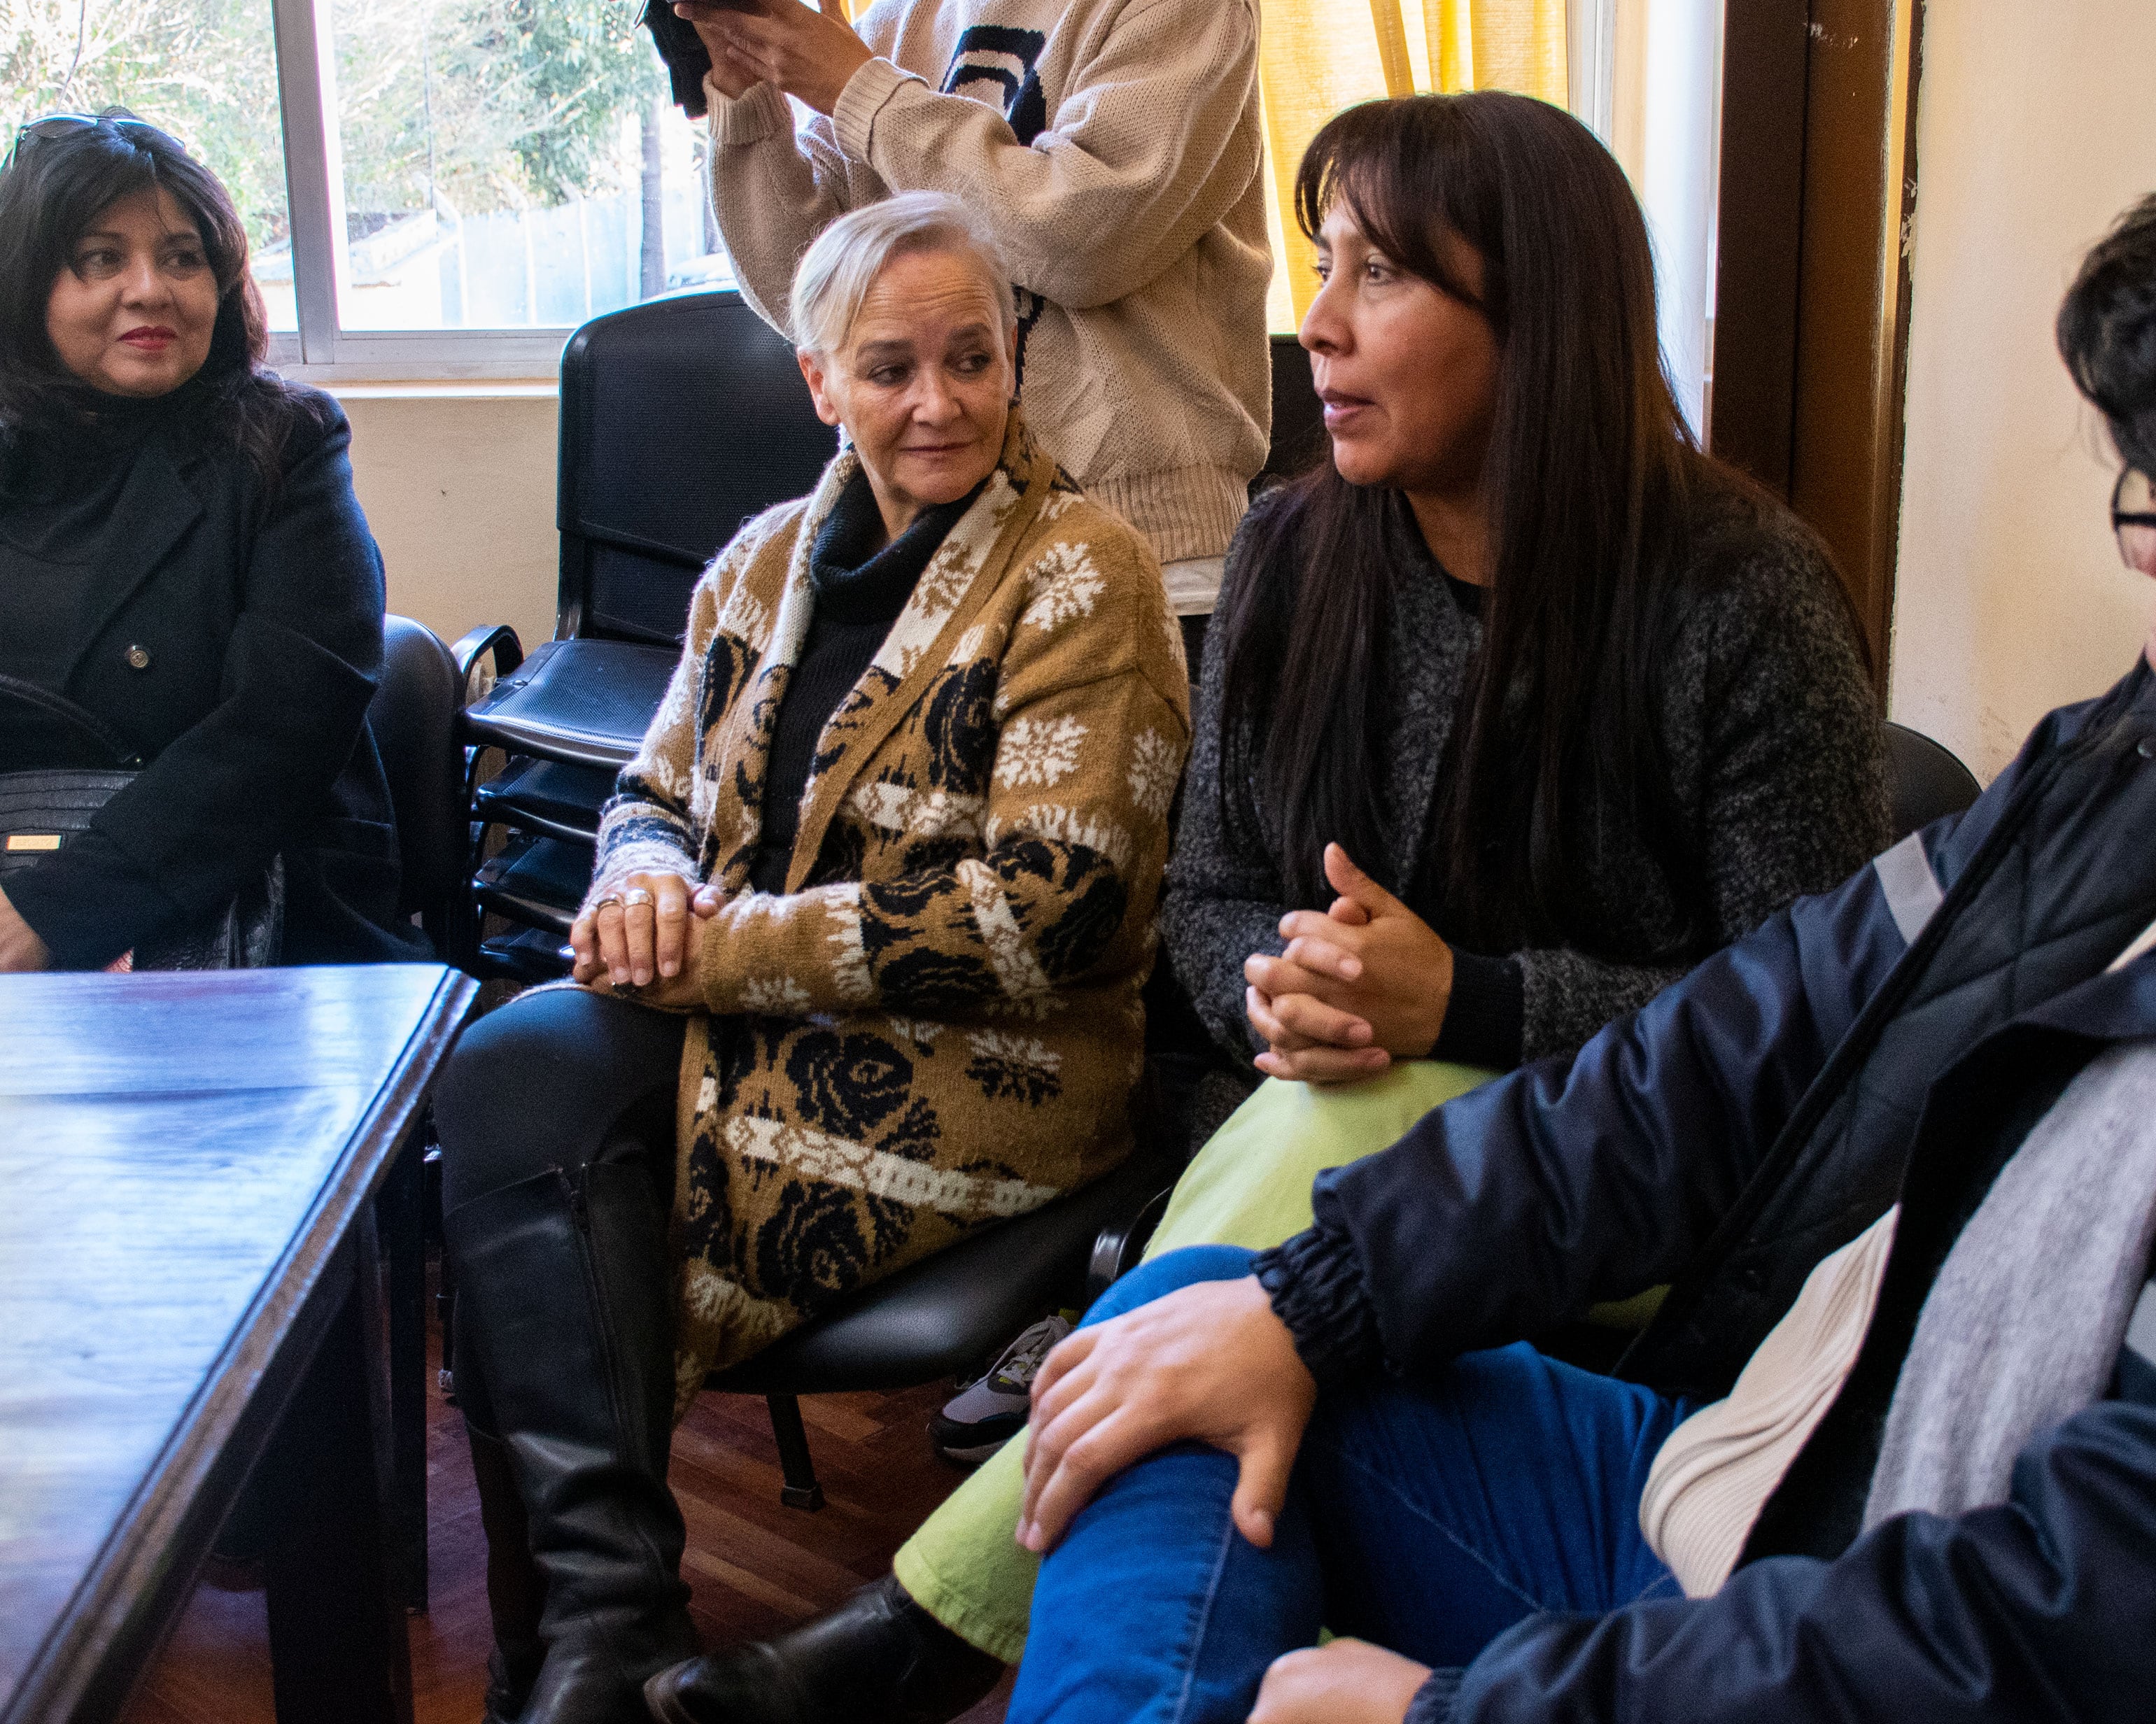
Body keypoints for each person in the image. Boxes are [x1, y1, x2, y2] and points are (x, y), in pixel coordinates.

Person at [1004, 110, 2156, 1724]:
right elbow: (1748, 1033)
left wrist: (1454, 1715)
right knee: (1189, 1325)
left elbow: (2111, 1626)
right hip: (1778, 1466)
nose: (2141, 571)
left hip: (1865, 1587)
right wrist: (1312, 1300)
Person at [643, 92, 1887, 1724]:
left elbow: (1819, 1044)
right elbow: (1204, 902)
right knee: (1308, 1167)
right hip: (1316, 1131)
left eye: (1380, 275)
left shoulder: (1744, 599)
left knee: (1302, 1172)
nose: (1317, 323)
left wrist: (1478, 1008)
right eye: (1323, 263)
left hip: (1626, 1198)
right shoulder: (1295, 552)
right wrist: (1297, 984)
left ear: (1541, 316)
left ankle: (934, 1625)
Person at [431, 191, 1189, 1724]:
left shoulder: (1083, 572)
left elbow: (1054, 910)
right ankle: (613, 1622)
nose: (938, 401)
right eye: (892, 366)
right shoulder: (763, 560)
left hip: (988, 1068)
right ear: (819, 382)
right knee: (508, 1072)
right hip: (745, 1017)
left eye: (971, 358)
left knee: (552, 1157)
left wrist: (717, 953)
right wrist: (641, 875)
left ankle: (585, 1640)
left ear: (1011, 359)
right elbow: (650, 787)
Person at [672, 0, 1269, 627]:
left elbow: (1082, 241)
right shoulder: (887, 24)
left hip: (1145, 551)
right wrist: (744, 84)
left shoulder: (1187, 10)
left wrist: (858, 90)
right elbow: (814, 295)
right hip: (919, 553)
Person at [0, 111, 422, 971]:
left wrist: (61, 912)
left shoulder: (286, 445)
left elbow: (283, 727)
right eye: (101, 259)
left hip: (252, 901)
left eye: (183, 257)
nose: (150, 289)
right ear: (27, 285)